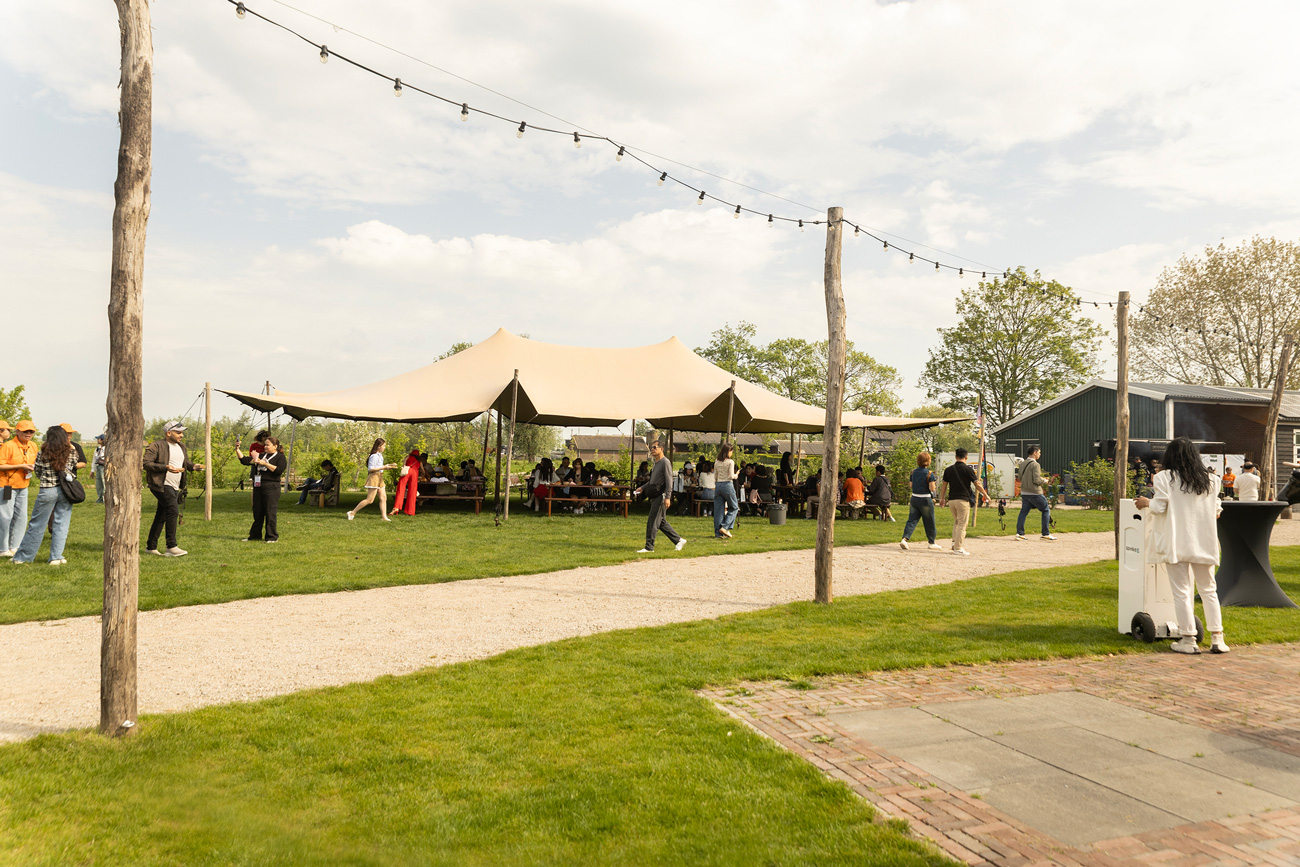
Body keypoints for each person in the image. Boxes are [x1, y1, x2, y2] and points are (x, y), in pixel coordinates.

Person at [1135, 437, 1229, 655]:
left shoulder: (1164, 477)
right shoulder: (1212, 480)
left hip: (1176, 541)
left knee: (1182, 592)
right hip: (1204, 541)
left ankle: (1188, 639)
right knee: (1209, 590)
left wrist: (1146, 502)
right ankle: (1218, 638)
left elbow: (1159, 507)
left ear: (1171, 455)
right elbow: (1217, 511)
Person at [10, 426, 79, 566]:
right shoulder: (72, 451)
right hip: (65, 490)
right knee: (61, 524)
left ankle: (23, 557)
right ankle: (56, 557)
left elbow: (38, 471)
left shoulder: (43, 452)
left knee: (37, 524)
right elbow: (74, 465)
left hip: (47, 490)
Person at [143, 421, 203, 556]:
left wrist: (194, 467)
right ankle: (171, 546)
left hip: (175, 485)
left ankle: (151, 547)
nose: (181, 435)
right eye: (178, 432)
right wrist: (165, 467)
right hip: (161, 484)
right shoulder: (156, 445)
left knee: (162, 514)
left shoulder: (181, 446)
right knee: (173, 509)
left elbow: (185, 463)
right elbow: (146, 463)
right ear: (168, 433)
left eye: (182, 432)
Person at [634, 440, 685, 553]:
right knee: (661, 522)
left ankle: (649, 547)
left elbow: (669, 481)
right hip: (655, 494)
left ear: (661, 449)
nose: (652, 449)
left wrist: (668, 497)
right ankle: (678, 540)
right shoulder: (656, 463)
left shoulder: (665, 462)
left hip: (660, 496)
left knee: (652, 520)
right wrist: (642, 488)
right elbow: (652, 481)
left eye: (655, 447)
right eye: (651, 447)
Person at [0, 420, 39, 558]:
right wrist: (20, 466)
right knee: (5, 517)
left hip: (24, 485)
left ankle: (15, 546)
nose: (28, 434)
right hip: (6, 485)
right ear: (17, 431)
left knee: (21, 517)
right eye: (25, 431)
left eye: (31, 431)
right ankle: (3, 548)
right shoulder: (8, 446)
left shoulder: (33, 446)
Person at [940, 447, 989, 556]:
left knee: (957, 521)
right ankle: (958, 548)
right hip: (963, 500)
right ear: (966, 457)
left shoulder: (948, 470)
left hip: (951, 500)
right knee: (962, 524)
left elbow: (944, 485)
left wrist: (942, 498)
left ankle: (954, 543)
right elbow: (977, 484)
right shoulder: (968, 469)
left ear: (955, 456)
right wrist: (985, 494)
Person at [238, 435, 287, 542]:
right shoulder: (261, 455)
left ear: (275, 446)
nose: (265, 446)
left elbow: (278, 470)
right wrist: (237, 450)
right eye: (265, 444)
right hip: (258, 486)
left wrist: (265, 463)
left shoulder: (280, 457)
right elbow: (245, 460)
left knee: (270, 512)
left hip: (272, 487)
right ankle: (255, 536)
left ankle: (272, 537)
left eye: (267, 445)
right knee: (257, 511)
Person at [347, 438, 397, 521]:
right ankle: (352, 512)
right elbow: (371, 469)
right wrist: (384, 467)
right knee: (370, 500)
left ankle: (384, 517)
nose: (385, 447)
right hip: (374, 477)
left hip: (380, 477)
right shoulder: (374, 456)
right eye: (384, 446)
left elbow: (378, 467)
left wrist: (387, 466)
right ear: (379, 446)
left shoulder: (380, 455)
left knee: (383, 498)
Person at [900, 452, 941, 551]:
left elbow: (910, 485)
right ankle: (931, 542)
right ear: (928, 461)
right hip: (925, 499)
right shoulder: (929, 473)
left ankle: (904, 539)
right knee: (929, 521)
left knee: (912, 520)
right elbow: (932, 488)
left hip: (914, 498)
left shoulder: (913, 472)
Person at [1015, 445, 1056, 541]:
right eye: (1039, 452)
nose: (1040, 454)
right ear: (1034, 452)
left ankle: (1020, 533)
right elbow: (1037, 480)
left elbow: (1020, 478)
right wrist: (1045, 481)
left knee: (1023, 513)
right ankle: (1045, 533)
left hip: (1024, 492)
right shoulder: (1035, 465)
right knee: (1045, 510)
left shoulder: (1023, 463)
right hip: (1035, 492)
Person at [713, 443, 739, 538]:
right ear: (728, 451)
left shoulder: (717, 462)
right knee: (734, 507)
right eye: (731, 451)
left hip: (718, 485)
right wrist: (737, 474)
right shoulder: (730, 462)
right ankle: (725, 526)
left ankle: (718, 534)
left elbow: (715, 476)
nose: (732, 453)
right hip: (727, 484)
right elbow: (731, 476)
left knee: (718, 510)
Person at [392, 448, 423, 516]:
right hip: (414, 473)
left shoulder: (408, 457)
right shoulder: (419, 460)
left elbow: (403, 465)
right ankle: (410, 511)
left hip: (407, 471)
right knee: (412, 491)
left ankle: (396, 508)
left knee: (401, 488)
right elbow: (422, 470)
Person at [92, 433, 107, 504]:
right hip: (98, 467)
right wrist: (92, 470)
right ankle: (100, 498)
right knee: (98, 484)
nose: (97, 440)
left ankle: (105, 499)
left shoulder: (107, 449)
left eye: (99, 439)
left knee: (104, 483)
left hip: (104, 467)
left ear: (102, 440)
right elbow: (94, 460)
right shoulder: (97, 449)